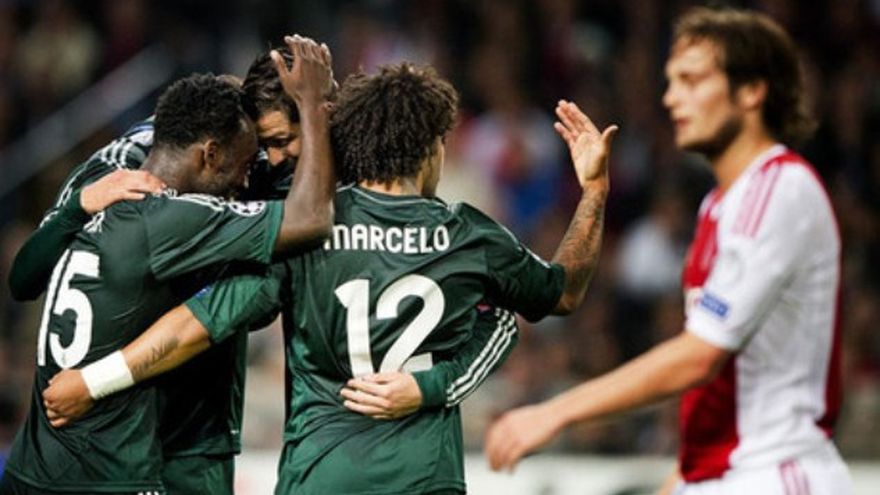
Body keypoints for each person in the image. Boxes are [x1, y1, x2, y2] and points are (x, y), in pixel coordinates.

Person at [44, 62, 615, 494]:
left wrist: (93, 382)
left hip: (318, 473)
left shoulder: (305, 232)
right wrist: (593, 191)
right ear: (432, 147)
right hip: (423, 475)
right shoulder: (468, 236)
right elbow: (562, 290)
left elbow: (196, 325)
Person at [484, 7, 851, 494]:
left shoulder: (779, 190)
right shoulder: (720, 206)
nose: (671, 97)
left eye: (692, 81)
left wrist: (556, 411)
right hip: (729, 472)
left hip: (777, 473)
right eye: (672, 81)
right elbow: (722, 381)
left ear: (751, 91)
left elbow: (700, 356)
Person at [0, 35, 337, 495]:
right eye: (264, 147)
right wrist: (77, 205)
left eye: (283, 143)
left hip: (183, 432)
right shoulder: (124, 181)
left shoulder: (232, 162)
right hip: (118, 439)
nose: (268, 165)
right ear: (215, 148)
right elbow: (25, 279)